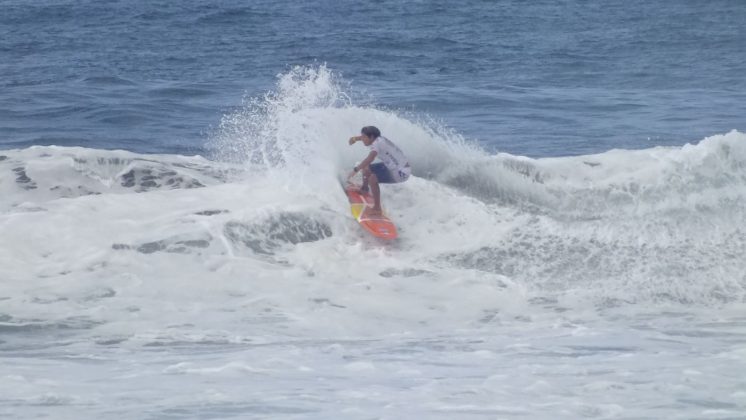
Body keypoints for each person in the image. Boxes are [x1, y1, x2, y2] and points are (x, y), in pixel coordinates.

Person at [348, 126, 411, 215]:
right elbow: (365, 138)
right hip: (394, 166)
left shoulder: (377, 144)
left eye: (364, 137)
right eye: (362, 137)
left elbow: (370, 158)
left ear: (372, 137)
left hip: (401, 172)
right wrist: (355, 139)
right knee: (367, 168)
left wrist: (355, 170)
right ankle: (364, 189)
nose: (363, 139)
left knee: (372, 178)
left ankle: (377, 209)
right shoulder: (378, 139)